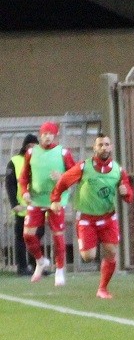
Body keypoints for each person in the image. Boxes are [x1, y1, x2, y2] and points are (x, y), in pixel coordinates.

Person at [48, 133, 133, 299]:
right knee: (88, 256)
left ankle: (103, 289)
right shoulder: (84, 167)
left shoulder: (118, 170)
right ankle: (90, 244)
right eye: (100, 145)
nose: (104, 148)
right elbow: (64, 181)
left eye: (107, 144)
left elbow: (129, 195)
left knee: (111, 251)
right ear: (94, 148)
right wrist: (55, 199)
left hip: (108, 217)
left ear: (111, 147)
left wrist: (126, 193)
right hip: (87, 219)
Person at [20, 121, 76, 285]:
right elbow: (24, 176)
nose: (48, 137)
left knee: (58, 235)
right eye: (45, 134)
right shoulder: (31, 153)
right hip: (37, 199)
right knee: (28, 235)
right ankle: (40, 261)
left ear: (55, 135)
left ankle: (59, 270)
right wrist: (24, 191)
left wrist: (62, 177)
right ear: (40, 135)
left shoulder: (63, 153)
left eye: (51, 134)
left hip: (56, 199)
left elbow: (75, 174)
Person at [6, 133, 39, 275]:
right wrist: (14, 203)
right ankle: (22, 267)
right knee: (21, 238)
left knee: (36, 237)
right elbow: (10, 184)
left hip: (38, 207)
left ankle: (36, 265)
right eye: (29, 146)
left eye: (34, 146)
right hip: (22, 207)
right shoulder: (15, 161)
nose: (31, 148)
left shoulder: (40, 161)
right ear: (24, 147)